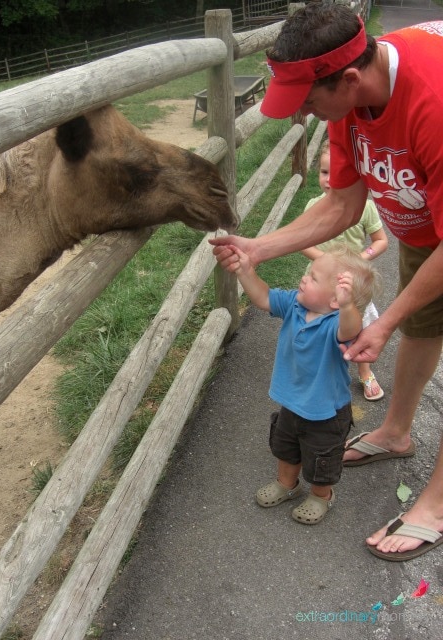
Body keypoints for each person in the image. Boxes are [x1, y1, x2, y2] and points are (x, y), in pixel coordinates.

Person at [209, 2, 443, 560]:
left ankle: (436, 502)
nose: (307, 113)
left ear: (350, 78)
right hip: (423, 221)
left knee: (401, 321)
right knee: (424, 323)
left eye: (310, 99)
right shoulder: (348, 106)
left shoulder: (433, 103)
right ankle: (394, 432)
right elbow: (342, 202)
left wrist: (380, 320)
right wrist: (258, 247)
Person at [220, 243, 378, 525]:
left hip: (326, 413)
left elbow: (350, 329)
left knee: (322, 460)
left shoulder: (335, 324)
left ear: (335, 301)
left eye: (314, 278)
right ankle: (287, 484)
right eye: (309, 272)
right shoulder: (294, 304)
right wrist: (245, 271)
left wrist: (348, 306)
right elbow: (264, 297)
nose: (304, 278)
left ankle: (321, 495)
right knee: (286, 446)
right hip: (292, 404)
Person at [302, 139, 388, 400]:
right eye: (324, 172)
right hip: (319, 283)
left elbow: (381, 241)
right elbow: (304, 242)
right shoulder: (313, 207)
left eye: (337, 173)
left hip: (352, 283)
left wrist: (360, 259)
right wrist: (328, 264)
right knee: (316, 325)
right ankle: (319, 373)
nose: (329, 180)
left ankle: (364, 370)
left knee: (358, 326)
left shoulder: (366, 207)